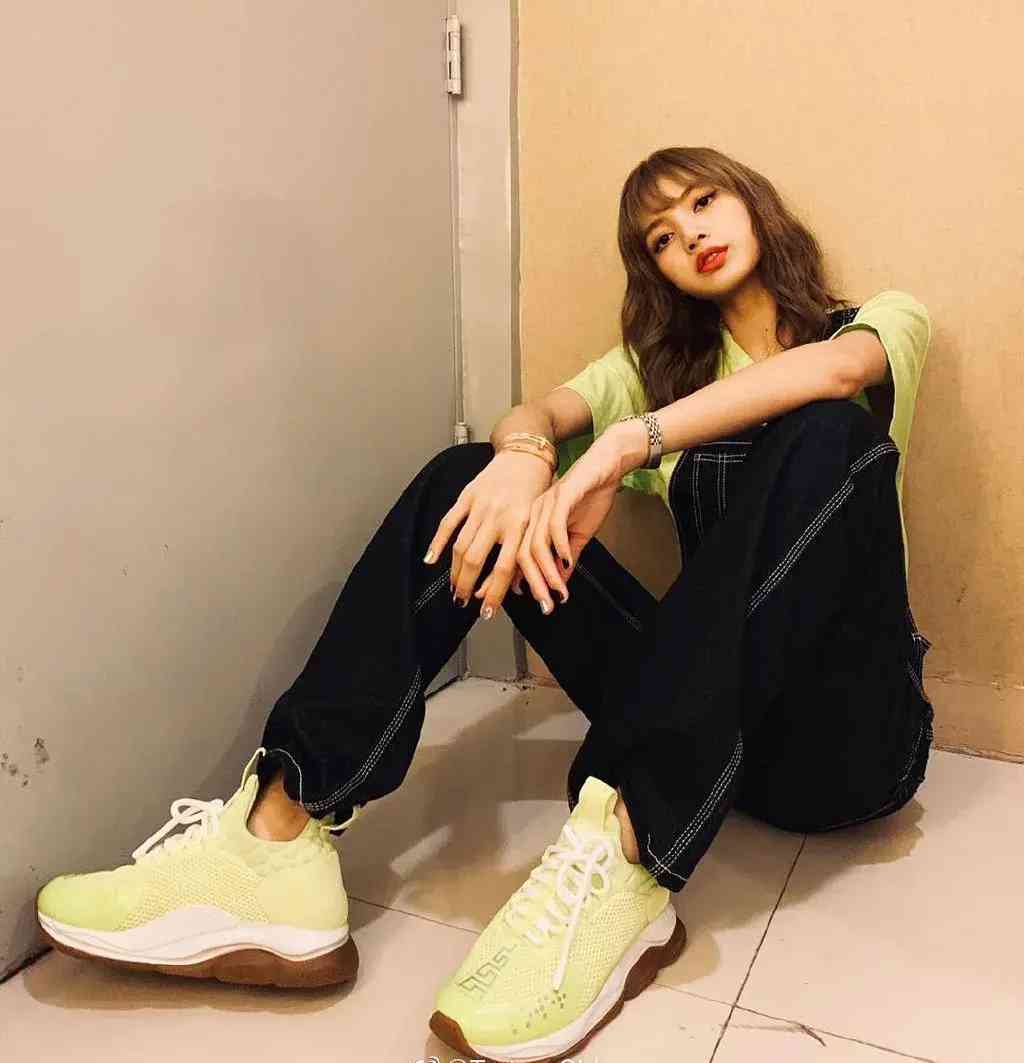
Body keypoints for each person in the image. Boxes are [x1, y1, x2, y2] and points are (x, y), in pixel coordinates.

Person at [35, 146, 933, 1063]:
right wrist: (525, 457)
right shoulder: (659, 370)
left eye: (704, 202)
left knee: (829, 437)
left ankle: (627, 850)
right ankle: (276, 837)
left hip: (847, 743)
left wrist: (627, 444)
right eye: (662, 236)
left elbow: (834, 373)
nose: (691, 235)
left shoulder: (877, 321)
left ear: (752, 200)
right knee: (467, 478)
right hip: (710, 724)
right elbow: (534, 414)